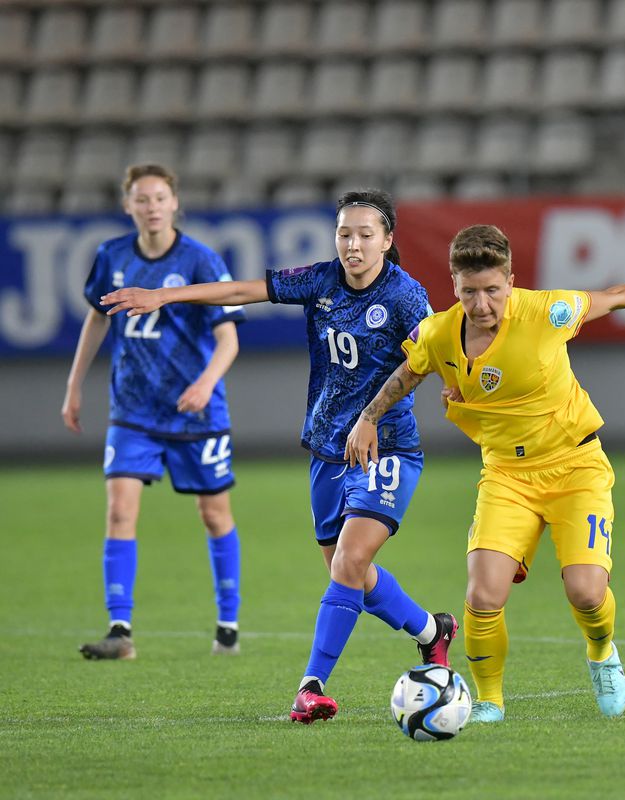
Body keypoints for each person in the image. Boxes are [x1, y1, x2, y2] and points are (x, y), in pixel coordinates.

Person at [101, 188, 457, 724]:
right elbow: (244, 289)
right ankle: (432, 631)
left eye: (365, 234)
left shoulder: (406, 296)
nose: (353, 244)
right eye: (344, 233)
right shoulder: (321, 280)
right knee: (351, 575)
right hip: (324, 451)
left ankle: (310, 686)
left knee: (351, 561)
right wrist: (163, 297)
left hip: (388, 449)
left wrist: (453, 390)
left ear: (387, 240)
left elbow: (436, 353)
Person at [344, 224, 625, 723]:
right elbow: (406, 374)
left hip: (575, 467)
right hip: (506, 477)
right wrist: (368, 417)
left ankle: (602, 652)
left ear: (511, 282)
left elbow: (612, 297)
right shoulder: (437, 334)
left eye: (493, 290)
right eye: (469, 291)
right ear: (454, 286)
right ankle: (489, 700)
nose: (482, 304)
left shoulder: (545, 311)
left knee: (586, 592)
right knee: (482, 594)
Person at [63, 163, 245, 660]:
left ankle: (227, 623)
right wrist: (75, 384)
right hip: (133, 409)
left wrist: (206, 383)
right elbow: (97, 321)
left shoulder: (201, 260)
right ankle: (119, 631)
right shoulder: (112, 256)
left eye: (159, 197)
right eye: (141, 199)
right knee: (119, 509)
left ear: (174, 203)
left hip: (196, 413)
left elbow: (227, 336)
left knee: (213, 514)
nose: (151, 206)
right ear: (128, 206)